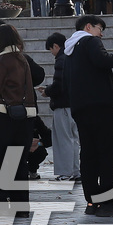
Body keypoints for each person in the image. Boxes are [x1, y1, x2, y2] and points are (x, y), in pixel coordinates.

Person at [66, 15, 113, 216]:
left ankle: (92, 203)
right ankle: (109, 203)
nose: (101, 34)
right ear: (88, 27)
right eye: (99, 28)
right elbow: (102, 59)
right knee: (108, 154)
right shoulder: (89, 41)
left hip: (80, 108)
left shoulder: (69, 49)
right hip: (100, 107)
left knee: (89, 155)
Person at [0, 24, 36, 216]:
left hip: (3, 117)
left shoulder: (0, 61)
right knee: (17, 163)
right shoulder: (22, 59)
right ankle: (21, 208)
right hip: (25, 118)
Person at [43, 32, 79, 181]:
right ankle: (75, 170)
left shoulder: (61, 59)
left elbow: (59, 85)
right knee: (74, 139)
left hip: (63, 106)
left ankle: (66, 172)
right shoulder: (72, 57)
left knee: (64, 139)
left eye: (51, 49)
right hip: (74, 104)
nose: (52, 53)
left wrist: (47, 91)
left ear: (56, 46)